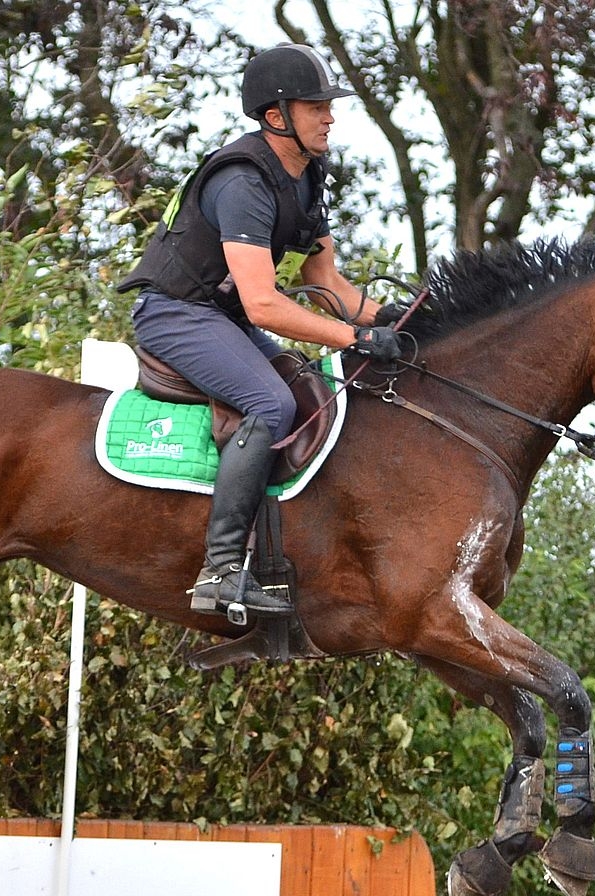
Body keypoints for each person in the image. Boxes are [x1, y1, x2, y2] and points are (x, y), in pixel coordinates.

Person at [118, 43, 405, 618]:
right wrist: (351, 340)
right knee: (271, 404)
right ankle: (220, 571)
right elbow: (263, 304)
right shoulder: (245, 182)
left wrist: (385, 318)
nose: (330, 116)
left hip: (217, 317)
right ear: (277, 117)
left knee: (307, 394)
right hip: (174, 314)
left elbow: (327, 282)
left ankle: (276, 558)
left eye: (329, 105)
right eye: (315, 105)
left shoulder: (306, 177)